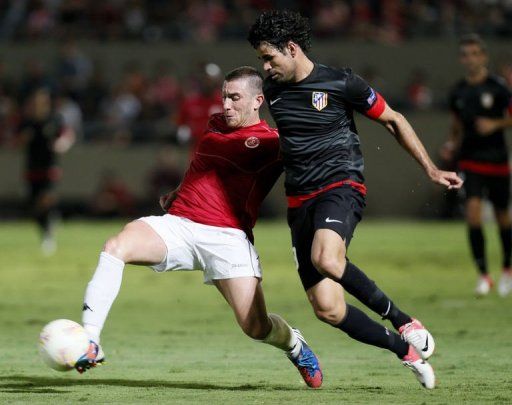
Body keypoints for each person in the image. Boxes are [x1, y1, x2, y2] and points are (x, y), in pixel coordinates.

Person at [248, 10, 463, 390]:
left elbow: (394, 120)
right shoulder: (274, 92)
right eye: (262, 59)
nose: (265, 66)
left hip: (340, 186)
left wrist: (430, 169)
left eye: (270, 57)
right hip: (299, 202)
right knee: (327, 309)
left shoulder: (341, 82)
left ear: (292, 49)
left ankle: (403, 320)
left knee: (326, 258)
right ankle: (403, 350)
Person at [76, 66, 323, 388]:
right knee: (114, 247)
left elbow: (314, 159)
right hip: (179, 225)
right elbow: (205, 165)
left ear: (257, 100)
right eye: (224, 97)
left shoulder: (272, 143)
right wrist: (180, 191)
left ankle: (294, 344)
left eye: (235, 98)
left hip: (228, 237)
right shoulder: (216, 125)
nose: (227, 105)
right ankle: (90, 340)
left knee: (255, 327)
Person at [442, 34, 512, 297]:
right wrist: (451, 142)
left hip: (497, 161)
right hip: (470, 161)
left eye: (474, 53)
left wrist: (495, 124)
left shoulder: (498, 87)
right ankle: (484, 275)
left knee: (503, 217)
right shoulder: (458, 92)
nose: (470, 58)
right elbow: (457, 125)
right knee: (472, 213)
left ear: (484, 56)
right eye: (465, 54)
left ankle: (507, 269)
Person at [18, 87, 75, 255]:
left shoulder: (54, 119)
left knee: (46, 198)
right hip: (32, 169)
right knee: (34, 206)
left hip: (49, 167)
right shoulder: (27, 122)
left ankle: (49, 231)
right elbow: (17, 141)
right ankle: (47, 228)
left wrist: (62, 143)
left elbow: (67, 134)